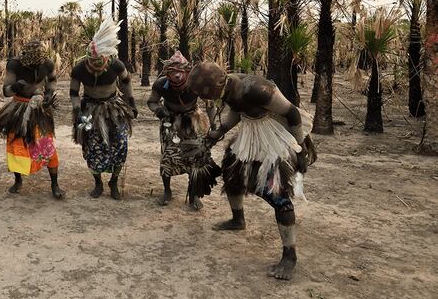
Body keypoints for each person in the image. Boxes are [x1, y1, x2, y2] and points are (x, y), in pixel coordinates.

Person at [187, 62, 317, 280]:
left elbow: (292, 113)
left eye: (206, 94)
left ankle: (289, 255)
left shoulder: (256, 88)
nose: (206, 99)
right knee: (232, 173)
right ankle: (238, 220)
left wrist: (300, 148)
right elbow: (237, 112)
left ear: (218, 83)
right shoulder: (227, 88)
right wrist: (217, 133)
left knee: (276, 193)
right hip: (252, 131)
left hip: (276, 136)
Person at [70, 19, 137, 200]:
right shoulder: (79, 69)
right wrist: (77, 110)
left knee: (120, 143)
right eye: (94, 64)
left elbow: (126, 82)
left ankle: (113, 181)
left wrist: (131, 102)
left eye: (101, 63)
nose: (97, 67)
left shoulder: (116, 65)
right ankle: (98, 182)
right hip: (90, 109)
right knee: (91, 147)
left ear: (107, 58)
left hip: (114, 108)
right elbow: (74, 92)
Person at [147, 51, 219, 209]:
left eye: (180, 73)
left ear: (187, 72)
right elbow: (151, 101)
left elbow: (210, 105)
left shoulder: (197, 83)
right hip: (170, 121)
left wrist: (213, 124)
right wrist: (159, 110)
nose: (177, 77)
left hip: (192, 120)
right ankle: (167, 191)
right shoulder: (161, 84)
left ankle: (193, 195)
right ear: (167, 73)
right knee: (168, 155)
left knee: (195, 157)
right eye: (173, 73)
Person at [0, 40, 63, 199]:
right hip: (19, 107)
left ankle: (55, 184)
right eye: (30, 65)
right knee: (17, 146)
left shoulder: (47, 63)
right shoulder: (14, 65)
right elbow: (6, 91)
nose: (33, 68)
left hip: (38, 107)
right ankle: (18, 180)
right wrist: (16, 87)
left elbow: (52, 80)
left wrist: (47, 95)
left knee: (47, 146)